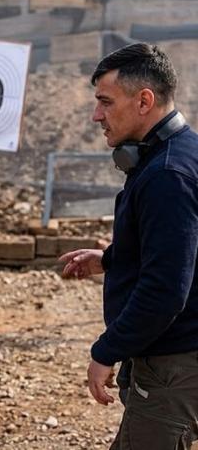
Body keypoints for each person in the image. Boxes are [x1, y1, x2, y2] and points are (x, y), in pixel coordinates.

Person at [60, 43, 198, 449]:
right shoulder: (179, 155)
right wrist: (109, 259)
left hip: (174, 364)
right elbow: (179, 248)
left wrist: (106, 351)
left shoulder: (166, 175)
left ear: (144, 101)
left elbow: (166, 288)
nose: (96, 115)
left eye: (105, 102)